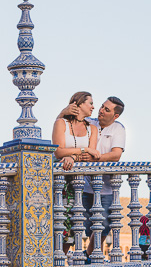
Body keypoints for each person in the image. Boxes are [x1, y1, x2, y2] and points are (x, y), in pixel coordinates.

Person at [60, 96, 126, 256]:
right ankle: (60, 256)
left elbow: (116, 155)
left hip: (106, 187)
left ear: (115, 116)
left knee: (103, 224)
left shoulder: (118, 129)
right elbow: (65, 125)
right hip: (83, 184)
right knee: (73, 221)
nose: (101, 110)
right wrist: (64, 111)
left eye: (107, 109)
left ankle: (90, 254)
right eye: (102, 107)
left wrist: (95, 158)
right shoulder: (90, 122)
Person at [52, 92, 99, 251]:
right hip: (59, 183)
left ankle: (61, 260)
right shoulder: (61, 123)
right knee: (58, 221)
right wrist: (82, 149)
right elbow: (58, 152)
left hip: (78, 184)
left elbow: (89, 156)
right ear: (78, 104)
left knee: (72, 224)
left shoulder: (92, 129)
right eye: (90, 103)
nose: (93, 107)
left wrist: (72, 155)